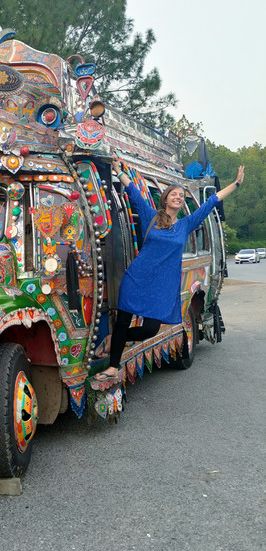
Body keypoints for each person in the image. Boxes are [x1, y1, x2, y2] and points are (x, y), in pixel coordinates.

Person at [94, 155, 245, 381]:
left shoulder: (185, 224)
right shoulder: (151, 216)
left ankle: (114, 338)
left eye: (181, 195)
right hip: (137, 278)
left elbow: (211, 202)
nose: (178, 197)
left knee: (150, 329)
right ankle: (113, 366)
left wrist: (236, 184)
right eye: (174, 194)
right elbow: (133, 192)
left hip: (162, 285)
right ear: (165, 199)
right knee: (124, 320)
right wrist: (117, 169)